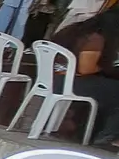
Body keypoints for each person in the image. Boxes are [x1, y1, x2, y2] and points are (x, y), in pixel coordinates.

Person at [50, 9, 119, 147]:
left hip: (53, 80)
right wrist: (109, 68)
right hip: (73, 84)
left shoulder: (70, 30)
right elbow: (86, 69)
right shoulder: (95, 38)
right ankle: (107, 136)